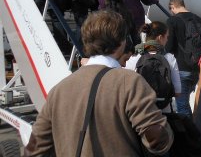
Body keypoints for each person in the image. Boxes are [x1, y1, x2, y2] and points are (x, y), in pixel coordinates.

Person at [25, 10, 173, 156]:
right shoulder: (129, 82)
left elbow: (35, 149)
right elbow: (157, 140)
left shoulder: (59, 90)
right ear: (122, 42)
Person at [125, 21, 181, 114]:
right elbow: (177, 92)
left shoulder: (134, 56)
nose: (167, 40)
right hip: (163, 111)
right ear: (160, 37)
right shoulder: (169, 58)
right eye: (167, 37)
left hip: (138, 111)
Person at [165, 0, 201, 117]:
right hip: (197, 67)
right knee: (190, 101)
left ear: (172, 6)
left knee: (182, 106)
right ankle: (195, 125)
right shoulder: (199, 19)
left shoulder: (172, 21)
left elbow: (169, 46)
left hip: (181, 67)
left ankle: (190, 133)